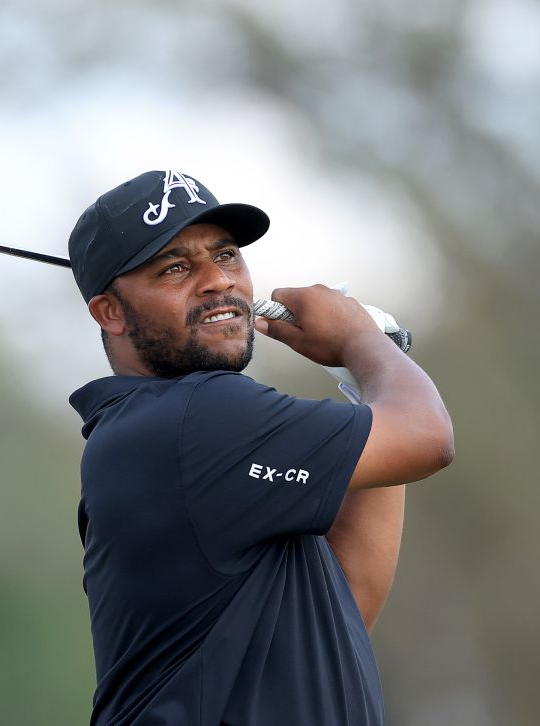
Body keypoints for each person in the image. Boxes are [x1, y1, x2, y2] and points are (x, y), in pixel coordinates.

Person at [67, 170, 454, 725]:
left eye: (225, 256)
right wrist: (362, 341)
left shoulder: (170, 432)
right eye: (175, 267)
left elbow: (343, 605)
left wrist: (367, 364)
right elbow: (427, 438)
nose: (216, 282)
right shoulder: (193, 418)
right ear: (110, 312)